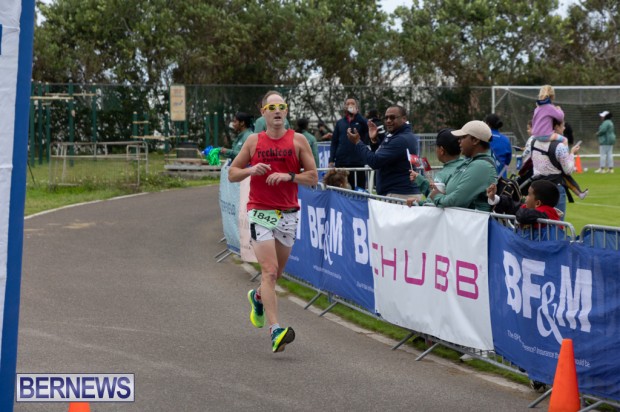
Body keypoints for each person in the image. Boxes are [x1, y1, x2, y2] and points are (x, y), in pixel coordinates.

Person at [228, 90, 318, 353]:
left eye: (281, 107)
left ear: (286, 111)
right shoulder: (253, 141)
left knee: (276, 274)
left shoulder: (299, 140)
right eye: (272, 107)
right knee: (268, 271)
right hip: (260, 212)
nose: (277, 111)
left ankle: (257, 297)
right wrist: (251, 169)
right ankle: (276, 330)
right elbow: (233, 173)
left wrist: (289, 176)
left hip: (288, 214)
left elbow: (313, 177)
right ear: (263, 112)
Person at [345, 105, 421, 200]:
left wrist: (357, 142)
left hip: (399, 195)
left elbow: (375, 162)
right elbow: (383, 157)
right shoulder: (400, 135)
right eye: (386, 118)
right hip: (400, 194)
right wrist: (374, 141)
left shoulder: (400, 139)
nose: (388, 121)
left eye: (392, 117)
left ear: (404, 119)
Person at [429, 120, 497, 211]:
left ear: (475, 140)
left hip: (472, 219)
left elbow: (457, 200)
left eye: (463, 137)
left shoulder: (481, 166)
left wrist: (437, 197)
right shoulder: (472, 162)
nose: (459, 141)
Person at [524, 117, 580, 220]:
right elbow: (568, 170)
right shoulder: (560, 146)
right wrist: (572, 154)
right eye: (562, 125)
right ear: (556, 127)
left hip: (537, 187)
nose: (564, 128)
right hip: (555, 188)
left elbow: (526, 160)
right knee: (557, 224)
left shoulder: (533, 141)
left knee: (538, 223)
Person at [406, 128, 464, 206]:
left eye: (436, 147)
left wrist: (417, 202)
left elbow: (432, 202)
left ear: (441, 150)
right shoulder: (466, 165)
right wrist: (420, 180)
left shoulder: (442, 175)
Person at [329, 97, 369, 189]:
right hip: (341, 163)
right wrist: (331, 160)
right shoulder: (340, 123)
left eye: (352, 103)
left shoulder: (362, 121)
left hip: (358, 162)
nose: (350, 105)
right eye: (348, 104)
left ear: (357, 107)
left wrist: (357, 115)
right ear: (345, 107)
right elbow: (334, 142)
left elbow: (368, 128)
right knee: (341, 190)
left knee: (359, 190)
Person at [487, 179, 561, 225]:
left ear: (537, 203)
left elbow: (522, 215)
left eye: (528, 194)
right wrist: (494, 197)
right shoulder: (532, 210)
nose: (525, 197)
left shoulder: (546, 215)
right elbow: (513, 206)